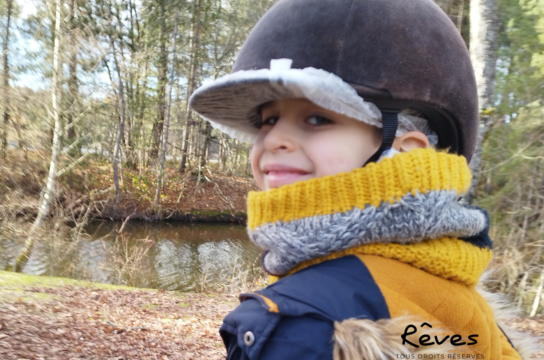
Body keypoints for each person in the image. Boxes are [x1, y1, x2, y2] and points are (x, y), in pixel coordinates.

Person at [189, 0, 531, 359]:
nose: (273, 140)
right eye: (267, 120)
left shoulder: (305, 324)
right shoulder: (453, 292)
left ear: (406, 151)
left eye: (318, 119)